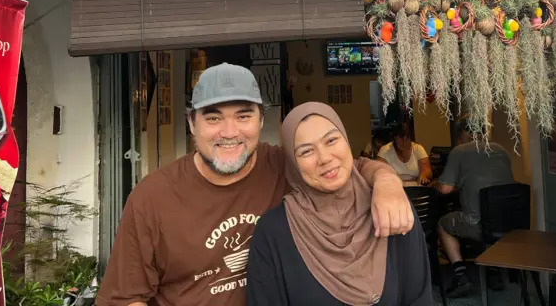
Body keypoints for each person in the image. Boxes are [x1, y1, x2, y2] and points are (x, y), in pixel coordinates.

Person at [95, 63, 413, 306]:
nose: (229, 132)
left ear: (261, 120)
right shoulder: (153, 198)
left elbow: (345, 167)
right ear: (192, 123)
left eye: (243, 116)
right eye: (213, 117)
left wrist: (387, 182)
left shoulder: (283, 165)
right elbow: (124, 299)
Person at [246, 102, 433, 306]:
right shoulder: (273, 232)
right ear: (293, 164)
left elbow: (418, 298)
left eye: (332, 140)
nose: (325, 158)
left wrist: (386, 178)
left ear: (346, 141)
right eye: (306, 151)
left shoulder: (392, 207)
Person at [432, 117, 514, 298]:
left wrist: (436, 183)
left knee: (443, 224)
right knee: (488, 219)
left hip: (476, 225)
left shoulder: (459, 151)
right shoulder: (502, 150)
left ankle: (461, 275)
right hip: (508, 224)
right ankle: (493, 270)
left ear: (461, 134)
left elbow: (445, 189)